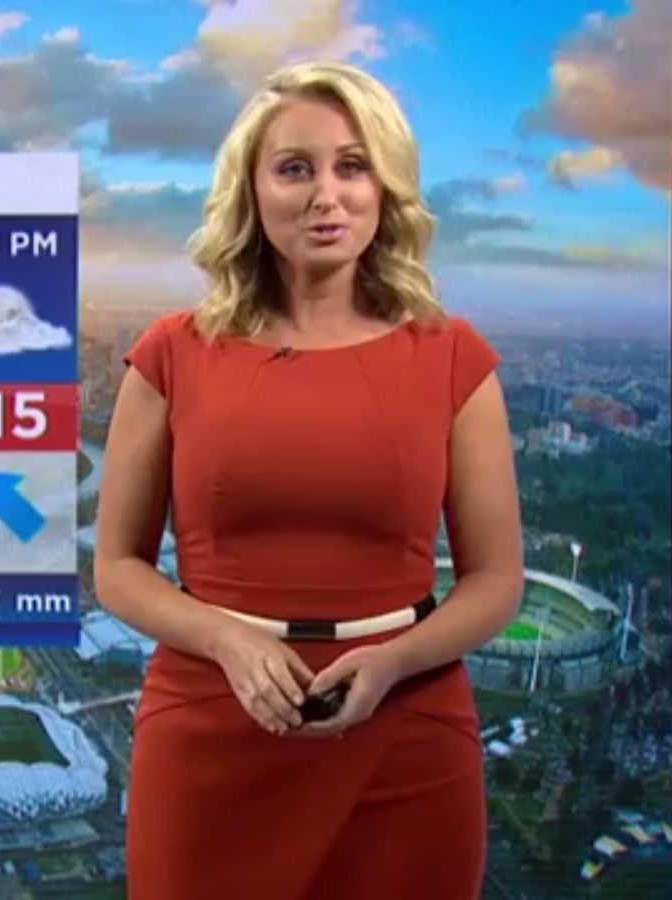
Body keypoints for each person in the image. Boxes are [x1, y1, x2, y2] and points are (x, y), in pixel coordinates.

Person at [93, 60, 525, 899]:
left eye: (352, 166)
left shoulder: (453, 358)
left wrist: (393, 663)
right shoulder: (172, 355)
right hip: (211, 733)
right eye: (295, 168)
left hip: (408, 738)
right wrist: (227, 641)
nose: (327, 195)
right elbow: (117, 568)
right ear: (251, 191)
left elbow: (496, 581)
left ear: (384, 188)